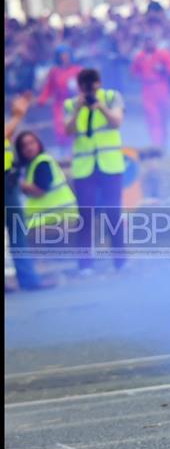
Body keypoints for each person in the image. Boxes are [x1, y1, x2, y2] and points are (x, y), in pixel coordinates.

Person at [64, 68, 126, 274]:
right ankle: (85, 264)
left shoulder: (111, 97)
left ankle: (120, 260)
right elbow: (67, 130)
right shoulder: (71, 104)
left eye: (93, 83)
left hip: (110, 163)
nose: (90, 88)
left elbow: (116, 122)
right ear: (79, 87)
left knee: (113, 213)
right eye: (85, 84)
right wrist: (78, 109)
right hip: (84, 167)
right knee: (85, 215)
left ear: (99, 83)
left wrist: (100, 108)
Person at [4, 94, 55, 291]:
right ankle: (29, 280)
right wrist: (17, 115)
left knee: (17, 232)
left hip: (8, 181)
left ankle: (29, 280)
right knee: (17, 232)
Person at [15, 130, 79, 231]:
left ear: (38, 144)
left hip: (58, 219)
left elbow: (39, 190)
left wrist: (19, 184)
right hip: (53, 219)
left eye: (32, 143)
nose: (29, 148)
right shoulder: (31, 165)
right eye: (24, 146)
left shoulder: (42, 162)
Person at [131, 35, 170, 148]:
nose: (149, 44)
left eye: (151, 41)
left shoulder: (163, 54)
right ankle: (156, 144)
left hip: (161, 88)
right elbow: (133, 72)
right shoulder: (139, 56)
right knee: (152, 117)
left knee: (163, 118)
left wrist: (163, 69)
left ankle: (164, 142)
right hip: (147, 90)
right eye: (146, 42)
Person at [36, 44, 82, 153]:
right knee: (60, 127)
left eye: (66, 55)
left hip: (76, 102)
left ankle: (76, 149)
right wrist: (42, 99)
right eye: (61, 55)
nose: (64, 57)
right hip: (59, 104)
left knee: (77, 124)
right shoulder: (54, 71)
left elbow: (83, 85)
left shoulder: (78, 70)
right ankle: (63, 151)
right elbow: (49, 87)